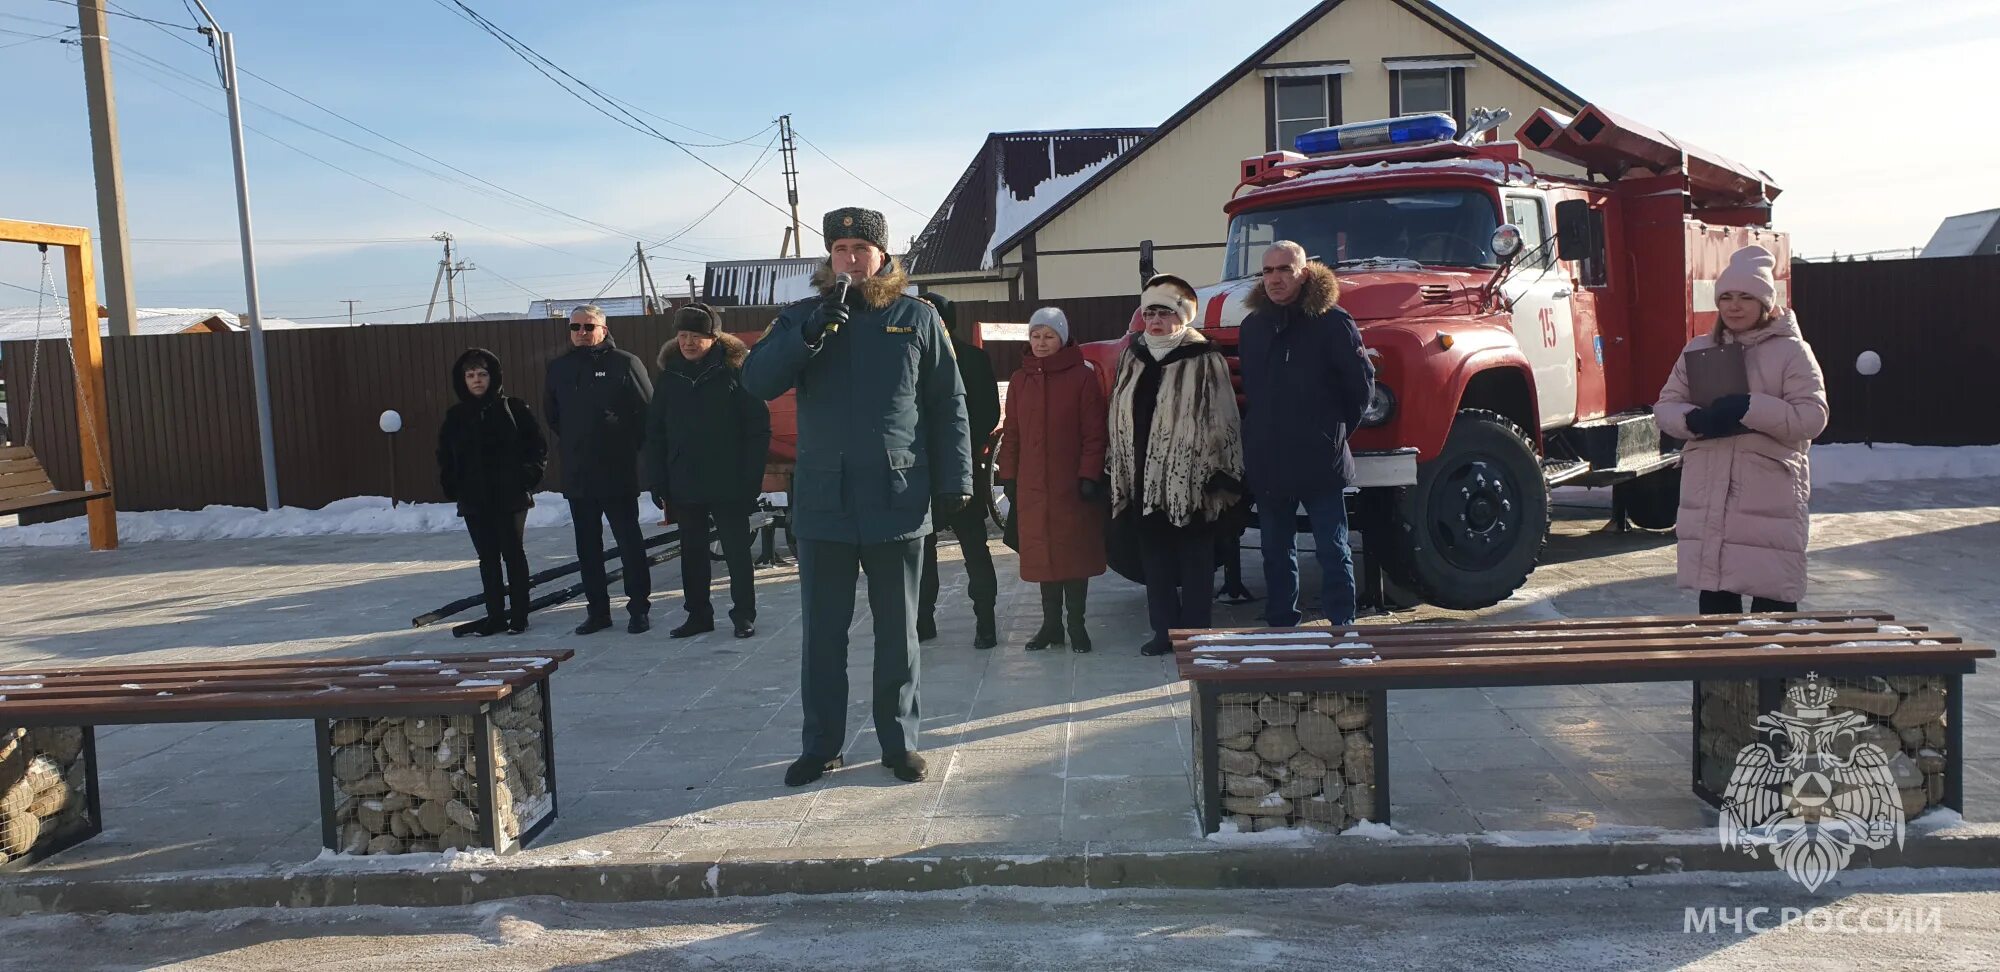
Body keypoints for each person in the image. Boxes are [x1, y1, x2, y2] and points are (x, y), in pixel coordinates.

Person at [742, 207, 972, 786]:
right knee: (823, 635)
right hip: (825, 502)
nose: (850, 258)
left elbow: (949, 405)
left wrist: (957, 481)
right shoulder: (800, 317)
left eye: (860, 249)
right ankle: (821, 745)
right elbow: (756, 381)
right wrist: (809, 333)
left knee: (899, 633)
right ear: (830, 258)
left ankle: (899, 742)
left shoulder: (916, 317)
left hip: (896, 497)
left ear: (882, 257)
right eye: (840, 248)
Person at [1655, 244, 1828, 614]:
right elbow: (1666, 406)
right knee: (1716, 613)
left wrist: (1750, 407)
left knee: (1773, 613)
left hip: (1768, 497)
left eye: (1746, 297)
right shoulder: (1699, 350)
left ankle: (1776, 674)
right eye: (1727, 297)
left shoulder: (1792, 352)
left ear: (1765, 302)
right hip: (1709, 494)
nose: (1734, 306)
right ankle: (1717, 675)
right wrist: (1692, 420)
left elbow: (1812, 417)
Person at [1238, 241, 1374, 627]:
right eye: (1267, 271)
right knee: (1274, 549)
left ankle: (1341, 625)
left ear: (1304, 272)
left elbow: (1361, 387)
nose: (1275, 279)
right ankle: (1282, 623)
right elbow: (1254, 391)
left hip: (1320, 457)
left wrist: (1333, 433)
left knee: (1332, 548)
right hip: (1269, 457)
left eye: (1284, 269)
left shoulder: (1333, 322)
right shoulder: (1253, 328)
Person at [1108, 274, 1245, 656]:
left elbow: (1225, 417)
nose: (1155, 320)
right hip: (1143, 477)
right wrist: (1115, 465)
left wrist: (1224, 471)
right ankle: (1164, 631)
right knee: (1155, 561)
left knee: (1195, 560)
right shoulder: (1131, 357)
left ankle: (1197, 632)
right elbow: (1116, 413)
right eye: (1149, 312)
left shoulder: (1203, 357)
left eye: (1164, 312)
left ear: (1182, 316)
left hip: (1193, 478)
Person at [644, 303, 772, 640]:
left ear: (713, 338)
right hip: (684, 479)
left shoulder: (735, 372)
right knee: (692, 553)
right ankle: (698, 614)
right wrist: (657, 477)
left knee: (736, 552)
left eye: (696, 336)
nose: (687, 342)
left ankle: (743, 614)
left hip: (729, 481)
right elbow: (655, 431)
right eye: (682, 334)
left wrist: (750, 479)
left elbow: (758, 429)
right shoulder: (670, 375)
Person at [997, 306, 1108, 652]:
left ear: (1062, 339)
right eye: (1036, 335)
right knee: (1043, 557)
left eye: (1049, 336)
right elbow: (1011, 432)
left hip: (1070, 485)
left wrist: (1089, 474)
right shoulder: (1020, 379)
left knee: (1073, 557)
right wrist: (1008, 475)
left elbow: (1094, 433)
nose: (1041, 342)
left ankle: (1076, 625)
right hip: (1033, 486)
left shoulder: (1083, 377)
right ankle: (1050, 626)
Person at [545, 304, 656, 635]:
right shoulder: (559, 368)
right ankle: (598, 612)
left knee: (628, 542)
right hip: (579, 474)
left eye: (588, 327)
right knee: (587, 546)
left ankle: (639, 608)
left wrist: (620, 443)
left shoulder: (625, 363)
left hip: (616, 471)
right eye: (575, 327)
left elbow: (647, 413)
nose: (581, 333)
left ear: (603, 330)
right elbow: (553, 416)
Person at [436, 348, 547, 636]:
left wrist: (526, 478)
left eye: (482, 374)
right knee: (487, 559)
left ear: (492, 376)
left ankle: (520, 615)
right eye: (470, 375)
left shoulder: (514, 408)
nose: (476, 380)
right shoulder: (456, 417)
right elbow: (445, 456)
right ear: (462, 380)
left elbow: (536, 448)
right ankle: (495, 615)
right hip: (474, 499)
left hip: (510, 497)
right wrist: (453, 484)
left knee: (513, 554)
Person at [915, 291, 1001, 650]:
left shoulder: (970, 359)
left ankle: (985, 621)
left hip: (957, 467)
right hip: (932, 469)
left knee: (971, 547)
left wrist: (961, 447)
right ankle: (925, 621)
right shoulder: (914, 358)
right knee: (926, 550)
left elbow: (988, 413)